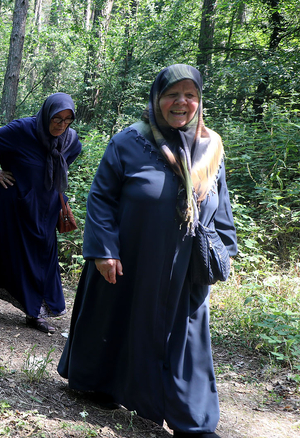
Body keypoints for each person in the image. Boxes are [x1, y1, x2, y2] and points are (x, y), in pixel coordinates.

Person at [57, 65, 237, 438]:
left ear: (199, 101)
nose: (181, 102)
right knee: (115, 321)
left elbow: (221, 211)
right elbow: (101, 198)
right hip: (129, 259)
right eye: (172, 94)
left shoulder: (211, 148)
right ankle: (100, 385)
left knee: (186, 339)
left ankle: (193, 422)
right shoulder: (129, 141)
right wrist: (104, 250)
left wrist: (224, 251)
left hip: (185, 270)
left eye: (190, 95)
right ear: (157, 98)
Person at [0, 93, 82, 333]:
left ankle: (36, 312)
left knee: (42, 255)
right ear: (46, 114)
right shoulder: (22, 130)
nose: (62, 125)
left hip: (46, 206)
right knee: (4, 250)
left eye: (67, 120)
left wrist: (54, 173)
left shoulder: (69, 138)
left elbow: (72, 153)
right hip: (13, 202)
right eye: (57, 119)